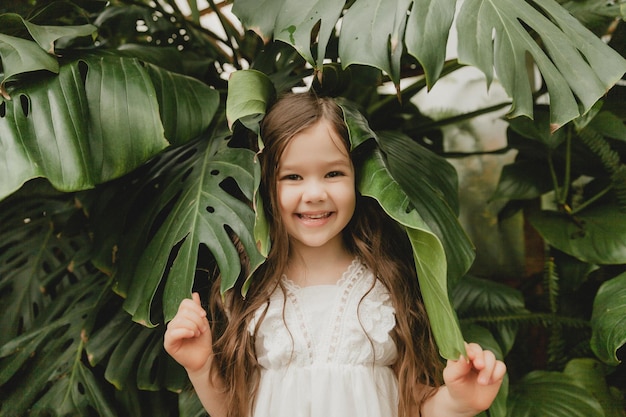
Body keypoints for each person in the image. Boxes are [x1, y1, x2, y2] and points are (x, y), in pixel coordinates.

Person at [164, 91, 507, 417]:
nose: (315, 193)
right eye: (292, 176)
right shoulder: (251, 289)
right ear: (264, 185)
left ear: (358, 178)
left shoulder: (386, 282)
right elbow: (236, 408)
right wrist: (201, 366)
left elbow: (410, 404)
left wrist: (459, 402)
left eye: (333, 173)